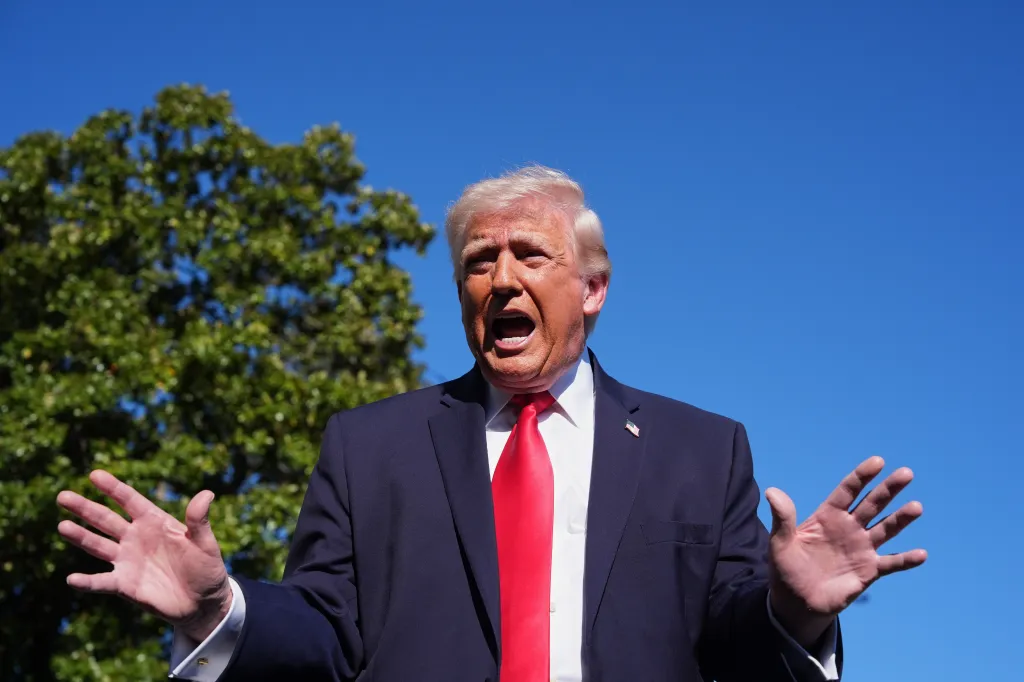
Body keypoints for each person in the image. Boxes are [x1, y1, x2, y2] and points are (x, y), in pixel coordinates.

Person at [56, 166, 926, 682]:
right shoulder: (370, 448)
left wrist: (791, 613)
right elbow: (324, 633)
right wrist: (222, 608)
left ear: (592, 289)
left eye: (529, 255)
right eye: (479, 262)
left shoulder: (702, 449)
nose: (500, 279)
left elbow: (732, 648)